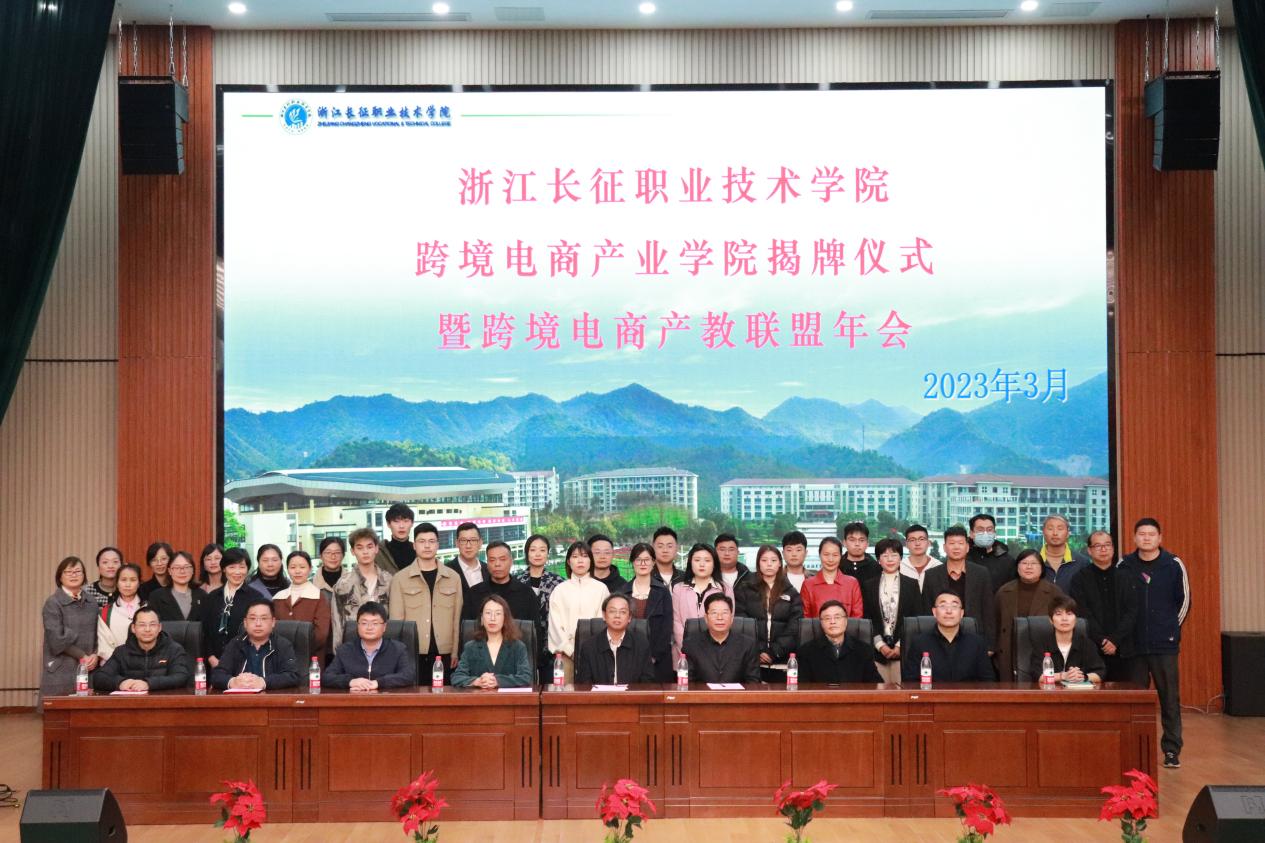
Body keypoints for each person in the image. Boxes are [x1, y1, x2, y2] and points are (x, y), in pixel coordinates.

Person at [1119, 518, 1189, 769]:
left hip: (1164, 645)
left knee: (1169, 699)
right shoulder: (1124, 565)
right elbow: (1118, 602)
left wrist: (1170, 629)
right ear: (1134, 538)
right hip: (1134, 646)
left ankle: (1171, 750)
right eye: (1142, 534)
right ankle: (1132, 750)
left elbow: (1184, 601)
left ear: (1160, 538)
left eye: (1151, 534)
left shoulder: (1173, 564)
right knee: (1134, 701)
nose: (1146, 538)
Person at [390, 522, 463, 682]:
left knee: (446, 695)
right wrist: (398, 656)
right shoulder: (400, 579)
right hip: (412, 653)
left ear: (438, 545)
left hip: (445, 653)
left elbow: (456, 619)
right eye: (422, 541)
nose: (427, 546)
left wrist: (455, 651)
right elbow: (396, 623)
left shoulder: (453, 577)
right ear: (414, 545)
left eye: (431, 541)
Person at [1070, 531, 1138, 680]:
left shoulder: (1126, 577)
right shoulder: (1079, 579)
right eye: (1098, 546)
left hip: (1124, 648)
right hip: (1091, 648)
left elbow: (1132, 611)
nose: (1103, 549)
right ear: (1089, 550)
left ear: (1113, 549)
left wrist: (1115, 639)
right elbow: (1082, 613)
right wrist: (1102, 640)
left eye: (1107, 545)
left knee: (1125, 691)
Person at [922, 526, 997, 654]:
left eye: (961, 543)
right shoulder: (931, 575)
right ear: (945, 547)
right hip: (940, 638)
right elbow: (927, 610)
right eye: (952, 543)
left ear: (967, 547)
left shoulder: (981, 573)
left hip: (974, 637)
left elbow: (988, 610)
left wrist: (990, 645)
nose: (956, 547)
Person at [733, 544, 803, 683]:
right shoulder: (745, 589)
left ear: (779, 563)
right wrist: (759, 649)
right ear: (758, 563)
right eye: (764, 560)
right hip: (752, 660)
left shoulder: (791, 592)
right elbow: (742, 623)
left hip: (782, 661)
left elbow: (794, 627)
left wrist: (774, 651)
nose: (769, 564)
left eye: (773, 560)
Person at [993, 549, 1064, 681]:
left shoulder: (1054, 592)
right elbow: (994, 623)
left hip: (1042, 652)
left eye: (1034, 563)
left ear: (1042, 568)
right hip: (1009, 652)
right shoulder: (1004, 592)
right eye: (1024, 563)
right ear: (1017, 567)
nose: (1029, 567)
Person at [547, 541, 609, 683]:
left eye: (585, 556)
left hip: (596, 654)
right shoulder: (559, 590)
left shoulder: (601, 589)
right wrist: (570, 650)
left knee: (594, 692)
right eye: (575, 557)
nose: (580, 560)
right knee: (564, 693)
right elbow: (555, 626)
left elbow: (603, 622)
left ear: (590, 561)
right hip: (565, 656)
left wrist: (590, 650)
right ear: (569, 562)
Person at [862, 538, 922, 684]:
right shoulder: (868, 585)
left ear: (900, 558)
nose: (890, 559)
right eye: (885, 555)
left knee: (902, 692)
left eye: (894, 555)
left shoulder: (912, 584)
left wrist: (900, 645)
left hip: (904, 652)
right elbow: (866, 618)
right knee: (878, 692)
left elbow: (916, 619)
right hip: (877, 653)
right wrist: (880, 645)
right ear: (878, 560)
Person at [93, 607, 192, 693]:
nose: (147, 629)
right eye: (142, 625)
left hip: (164, 703)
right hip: (131, 704)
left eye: (152, 624)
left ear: (159, 627)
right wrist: (120, 683)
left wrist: (149, 684)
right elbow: (99, 678)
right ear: (133, 628)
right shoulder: (122, 652)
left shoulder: (174, 649)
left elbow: (181, 677)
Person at [40, 556, 100, 699]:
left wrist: (96, 654)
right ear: (60, 577)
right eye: (68, 572)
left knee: (86, 709)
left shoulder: (91, 602)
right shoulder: (53, 603)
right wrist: (82, 655)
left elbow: (99, 634)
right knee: (58, 710)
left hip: (88, 667)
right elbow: (56, 640)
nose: (74, 575)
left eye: (78, 571)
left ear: (84, 575)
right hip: (61, 668)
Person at [902, 592, 994, 683]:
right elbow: (910, 683)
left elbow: (988, 682)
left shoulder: (977, 643)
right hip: (930, 693)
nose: (949, 611)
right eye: (943, 606)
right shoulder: (919, 643)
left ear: (962, 613)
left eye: (954, 606)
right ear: (934, 612)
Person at [323, 601, 416, 690]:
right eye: (364, 623)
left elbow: (408, 676)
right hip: (355, 699)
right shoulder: (345, 650)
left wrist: (379, 683)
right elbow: (327, 677)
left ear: (384, 627)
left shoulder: (398, 649)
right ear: (358, 626)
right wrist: (350, 682)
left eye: (375, 623)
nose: (369, 627)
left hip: (387, 699)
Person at [202, 548, 271, 667]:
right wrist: (211, 657)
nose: (237, 572)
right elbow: (205, 632)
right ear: (224, 569)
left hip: (246, 663)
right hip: (214, 663)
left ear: (247, 569)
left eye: (242, 567)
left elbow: (260, 632)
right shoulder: (212, 597)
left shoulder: (256, 597)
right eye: (232, 567)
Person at [616, 542, 674, 682]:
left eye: (647, 559)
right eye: (638, 559)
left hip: (658, 660)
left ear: (653, 562)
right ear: (632, 562)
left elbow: (666, 628)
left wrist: (653, 656)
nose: (643, 563)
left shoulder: (663, 592)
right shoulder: (622, 592)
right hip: (627, 658)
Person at [211, 601, 301, 690]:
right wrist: (233, 682)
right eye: (253, 618)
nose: (258, 624)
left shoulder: (283, 645)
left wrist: (263, 682)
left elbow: (292, 675)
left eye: (264, 618)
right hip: (240, 698)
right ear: (245, 622)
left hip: (272, 698)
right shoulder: (235, 644)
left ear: (273, 622)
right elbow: (217, 675)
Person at [452, 595, 534, 688]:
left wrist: (497, 681)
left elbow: (525, 677)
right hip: (479, 696)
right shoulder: (471, 647)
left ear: (505, 618)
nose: (492, 618)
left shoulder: (517, 647)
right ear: (482, 618)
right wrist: (477, 681)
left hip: (508, 697)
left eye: (498, 613)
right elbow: (457, 677)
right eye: (488, 613)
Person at [332, 528, 393, 652]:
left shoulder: (389, 581)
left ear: (376, 549)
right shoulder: (343, 584)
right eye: (360, 548)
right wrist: (338, 653)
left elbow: (394, 618)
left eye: (369, 547)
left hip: (384, 646)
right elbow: (337, 622)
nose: (365, 552)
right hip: (352, 646)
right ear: (353, 551)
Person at [574, 593, 656, 685]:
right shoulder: (589, 647)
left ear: (629, 618)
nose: (617, 615)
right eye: (612, 611)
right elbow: (584, 683)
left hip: (631, 694)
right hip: (598, 694)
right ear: (604, 615)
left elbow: (647, 682)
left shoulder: (641, 645)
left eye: (623, 612)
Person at [514, 533, 563, 683]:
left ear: (547, 553)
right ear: (527, 553)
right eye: (533, 550)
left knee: (550, 686)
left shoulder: (558, 582)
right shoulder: (516, 581)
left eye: (542, 550)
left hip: (550, 644)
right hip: (522, 641)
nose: (537, 554)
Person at [671, 543, 732, 663]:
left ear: (714, 564)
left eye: (707, 560)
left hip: (717, 654)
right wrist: (689, 648)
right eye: (697, 560)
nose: (702, 564)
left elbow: (728, 620)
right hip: (683, 654)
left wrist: (709, 651)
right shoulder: (678, 589)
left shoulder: (725, 589)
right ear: (690, 563)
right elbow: (676, 623)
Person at [682, 593, 761, 684]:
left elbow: (753, 681)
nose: (720, 618)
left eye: (725, 613)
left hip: (737, 693)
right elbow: (687, 682)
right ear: (706, 618)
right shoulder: (691, 645)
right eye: (714, 613)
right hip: (703, 693)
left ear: (731, 618)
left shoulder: (748, 645)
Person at [799, 600, 883, 684]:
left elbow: (876, 684)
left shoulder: (864, 650)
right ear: (821, 623)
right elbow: (802, 686)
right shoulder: (806, 651)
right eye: (827, 618)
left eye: (837, 617)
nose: (832, 622)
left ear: (846, 621)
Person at [1027, 595, 1105, 684]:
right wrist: (1063, 676)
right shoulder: (1042, 644)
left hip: (1078, 691)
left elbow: (1100, 673)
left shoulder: (1086, 644)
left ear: (1076, 619)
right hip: (1049, 691)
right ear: (1051, 620)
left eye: (1069, 614)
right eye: (1058, 614)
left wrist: (1082, 677)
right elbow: (1037, 676)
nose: (1064, 619)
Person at [273, 550, 333, 664]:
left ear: (310, 569)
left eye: (302, 567)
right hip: (282, 657)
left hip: (311, 658)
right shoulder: (278, 597)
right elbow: (273, 629)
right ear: (287, 569)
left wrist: (300, 647)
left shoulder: (318, 596)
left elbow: (322, 634)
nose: (297, 571)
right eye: (293, 567)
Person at [465, 541, 538, 624]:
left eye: (502, 559)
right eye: (492, 560)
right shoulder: (474, 593)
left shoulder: (526, 593)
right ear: (487, 563)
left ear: (511, 561)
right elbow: (468, 628)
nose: (497, 564)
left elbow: (535, 628)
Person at [799, 537, 863, 619]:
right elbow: (805, 619)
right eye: (826, 554)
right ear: (819, 555)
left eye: (835, 555)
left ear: (841, 556)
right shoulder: (808, 584)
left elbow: (857, 617)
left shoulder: (852, 583)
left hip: (848, 628)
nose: (830, 559)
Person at [96, 562, 143, 660]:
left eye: (133, 580)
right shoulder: (105, 613)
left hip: (144, 663)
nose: (128, 584)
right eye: (123, 580)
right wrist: (121, 662)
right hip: (114, 664)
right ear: (117, 583)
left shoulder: (148, 609)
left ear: (139, 583)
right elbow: (104, 647)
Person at [148, 551, 206, 622]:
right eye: (177, 567)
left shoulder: (202, 596)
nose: (182, 571)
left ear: (192, 570)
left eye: (186, 567)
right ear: (169, 571)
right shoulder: (156, 597)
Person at [1039, 514, 1091, 591]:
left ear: (1068, 533)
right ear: (1043, 532)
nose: (1055, 533)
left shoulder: (1082, 563)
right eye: (1050, 529)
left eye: (1060, 529)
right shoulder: (1034, 561)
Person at [968, 513, 1016, 593]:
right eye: (980, 530)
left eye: (989, 530)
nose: (985, 533)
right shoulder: (963, 558)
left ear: (994, 533)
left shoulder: (1007, 561)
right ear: (971, 533)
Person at [447, 522, 489, 603]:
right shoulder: (446, 571)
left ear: (480, 543)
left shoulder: (489, 570)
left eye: (473, 540)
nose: (468, 546)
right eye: (463, 540)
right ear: (457, 543)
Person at [899, 524, 942, 593]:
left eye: (921, 539)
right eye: (912, 540)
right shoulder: (899, 567)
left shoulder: (939, 567)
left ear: (928, 543)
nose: (917, 543)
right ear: (906, 544)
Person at [376, 502, 415, 574]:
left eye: (406, 521)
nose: (401, 526)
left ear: (412, 523)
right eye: (396, 521)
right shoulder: (378, 553)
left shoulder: (418, 551)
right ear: (388, 524)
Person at [315, 536, 346, 611]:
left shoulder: (353, 582)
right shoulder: (311, 584)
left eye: (337, 553)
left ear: (343, 556)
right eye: (328, 553)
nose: (333, 557)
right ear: (320, 556)